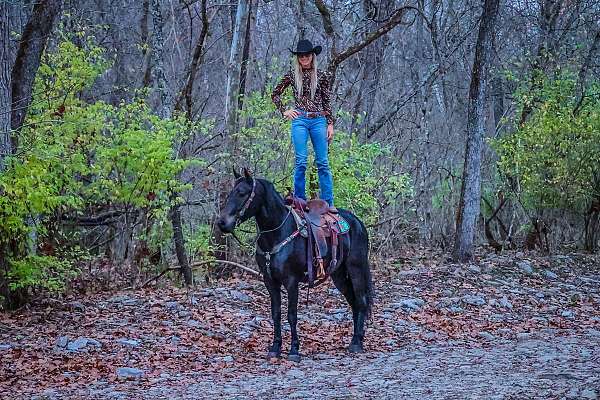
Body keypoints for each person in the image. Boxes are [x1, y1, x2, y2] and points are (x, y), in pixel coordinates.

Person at [271, 39, 336, 207]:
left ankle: (328, 202)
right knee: (301, 161)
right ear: (298, 57)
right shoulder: (292, 75)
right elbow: (275, 93)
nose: (304, 58)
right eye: (301, 55)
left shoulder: (321, 76)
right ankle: (299, 200)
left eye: (307, 55)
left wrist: (330, 124)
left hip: (318, 120)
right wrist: (284, 110)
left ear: (312, 56)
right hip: (299, 119)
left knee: (322, 162)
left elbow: (327, 101)